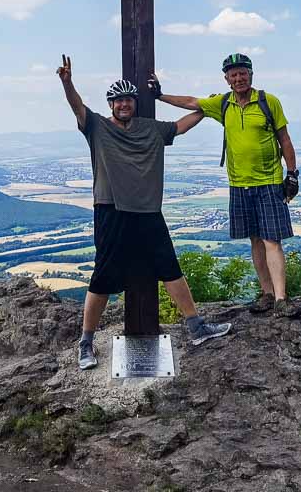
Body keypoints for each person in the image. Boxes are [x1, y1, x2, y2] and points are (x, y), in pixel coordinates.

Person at [56, 54, 231, 370]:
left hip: (148, 210)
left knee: (170, 267)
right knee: (103, 276)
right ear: (111, 105)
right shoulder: (96, 127)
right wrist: (68, 83)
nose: (124, 105)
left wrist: (209, 107)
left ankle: (195, 327)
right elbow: (77, 107)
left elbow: (182, 125)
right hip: (111, 209)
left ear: (135, 103)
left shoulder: (151, 129)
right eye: (118, 101)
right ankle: (85, 343)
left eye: (128, 100)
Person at [149, 53, 301, 319]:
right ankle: (267, 294)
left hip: (268, 181)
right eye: (234, 74)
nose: (239, 78)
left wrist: (292, 174)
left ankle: (281, 299)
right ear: (227, 79)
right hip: (239, 184)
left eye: (243, 73)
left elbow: (285, 140)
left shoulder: (268, 102)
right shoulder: (223, 103)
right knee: (256, 240)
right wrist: (160, 96)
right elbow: (191, 102)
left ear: (251, 75)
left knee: (271, 240)